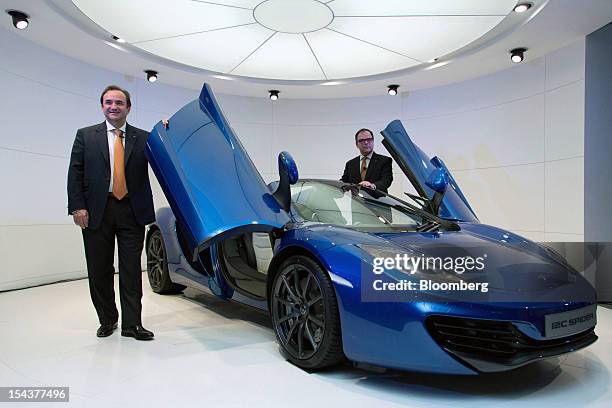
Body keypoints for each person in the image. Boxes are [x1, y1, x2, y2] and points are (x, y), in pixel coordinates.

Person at [67, 85, 155, 340]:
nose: (113, 106)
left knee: (131, 270)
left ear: (128, 107)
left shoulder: (146, 138)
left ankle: (132, 324)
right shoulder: (86, 135)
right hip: (96, 211)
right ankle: (108, 319)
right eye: (108, 102)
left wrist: (166, 129)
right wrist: (77, 206)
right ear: (102, 106)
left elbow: (168, 154)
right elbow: (75, 173)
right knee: (99, 269)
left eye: (119, 102)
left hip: (132, 210)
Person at [341, 128, 393, 193]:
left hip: (377, 200)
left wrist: (372, 186)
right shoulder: (350, 164)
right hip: (356, 201)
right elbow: (344, 182)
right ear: (357, 144)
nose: (366, 142)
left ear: (373, 141)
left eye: (369, 139)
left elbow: (386, 180)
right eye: (362, 140)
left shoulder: (385, 160)